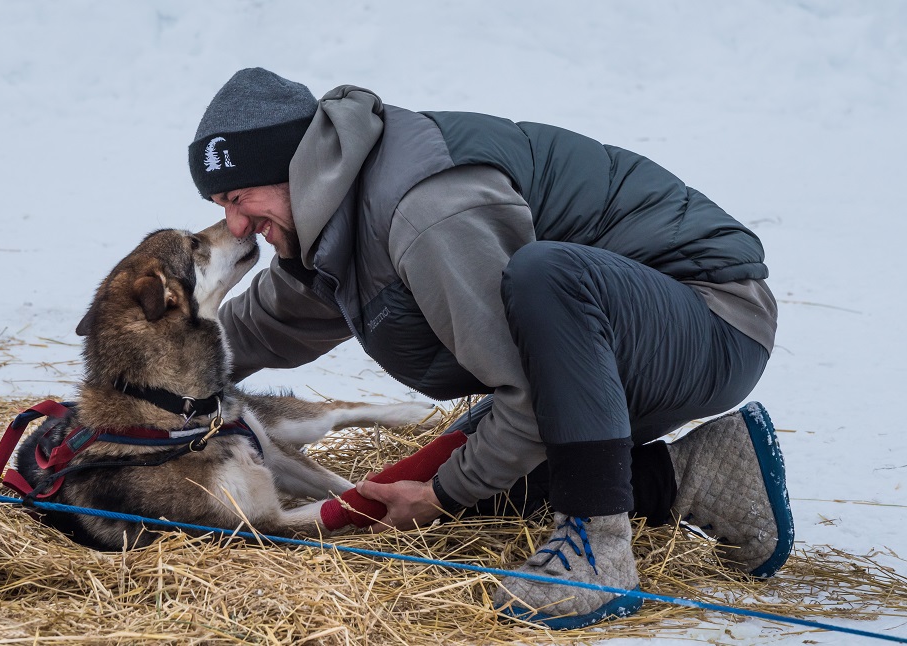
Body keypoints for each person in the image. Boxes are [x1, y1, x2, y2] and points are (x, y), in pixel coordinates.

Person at [187, 68, 792, 629]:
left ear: (293, 167)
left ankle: (597, 550)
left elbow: (527, 388)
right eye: (221, 206)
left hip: (709, 317)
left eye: (241, 197)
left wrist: (444, 491)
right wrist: (144, 388)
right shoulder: (332, 221)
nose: (237, 226)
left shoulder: (424, 208)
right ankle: (693, 475)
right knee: (453, 483)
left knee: (543, 281)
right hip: (614, 353)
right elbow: (264, 324)